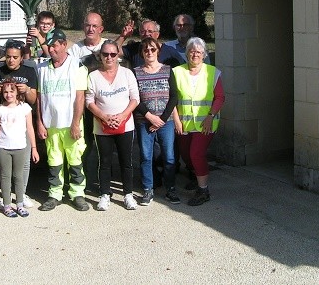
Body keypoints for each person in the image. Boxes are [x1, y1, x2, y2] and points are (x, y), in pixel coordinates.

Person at [36, 28, 90, 211]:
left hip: (70, 124)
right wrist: (39, 122)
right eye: (49, 47)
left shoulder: (77, 66)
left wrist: (76, 123)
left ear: (64, 45)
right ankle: (54, 194)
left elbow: (80, 97)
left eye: (55, 46)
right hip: (51, 125)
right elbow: (39, 97)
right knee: (54, 160)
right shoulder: (42, 68)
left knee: (75, 160)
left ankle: (77, 193)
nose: (51, 50)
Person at [85, 40, 140, 211]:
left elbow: (135, 98)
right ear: (100, 56)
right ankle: (104, 194)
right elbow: (89, 101)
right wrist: (104, 117)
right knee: (105, 161)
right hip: (102, 127)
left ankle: (128, 195)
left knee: (126, 161)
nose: (109, 57)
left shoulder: (127, 73)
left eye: (113, 54)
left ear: (118, 56)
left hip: (125, 125)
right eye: (105, 54)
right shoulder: (93, 76)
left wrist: (122, 116)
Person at [172, 37, 225, 206]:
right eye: (192, 51)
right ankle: (197, 176)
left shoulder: (212, 72)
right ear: (187, 53)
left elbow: (220, 97)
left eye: (199, 52)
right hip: (185, 123)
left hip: (205, 123)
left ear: (204, 54)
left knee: (196, 153)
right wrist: (176, 120)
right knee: (186, 155)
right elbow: (172, 99)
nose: (195, 54)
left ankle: (203, 190)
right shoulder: (177, 72)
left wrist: (210, 116)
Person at [0, 39, 38, 208]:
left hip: (22, 121)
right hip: (4, 122)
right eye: (8, 57)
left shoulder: (30, 71)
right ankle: (7, 197)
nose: (11, 60)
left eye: (15, 57)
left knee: (24, 164)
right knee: (6, 168)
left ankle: (21, 195)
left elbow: (33, 99)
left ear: (21, 58)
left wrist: (28, 90)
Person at [133, 37, 180, 206]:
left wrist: (162, 118)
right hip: (144, 121)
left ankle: (171, 189)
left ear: (158, 51)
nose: (149, 53)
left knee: (169, 157)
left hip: (165, 122)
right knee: (146, 157)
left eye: (153, 49)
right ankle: (148, 189)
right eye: (146, 50)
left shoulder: (168, 70)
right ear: (141, 53)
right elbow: (134, 98)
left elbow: (174, 96)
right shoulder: (136, 72)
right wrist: (150, 117)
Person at [0, 78, 39, 217]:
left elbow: (30, 129)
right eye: (5, 92)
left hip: (20, 147)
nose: (9, 94)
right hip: (3, 148)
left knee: (19, 176)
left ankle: (19, 204)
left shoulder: (25, 108)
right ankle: (7, 205)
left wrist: (34, 148)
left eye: (11, 91)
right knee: (5, 176)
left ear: (17, 92)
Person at [67, 12, 107, 192]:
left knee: (104, 143)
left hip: (104, 102)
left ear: (101, 28)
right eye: (87, 25)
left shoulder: (107, 46)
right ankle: (85, 181)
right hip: (83, 104)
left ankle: (103, 180)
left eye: (94, 26)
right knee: (85, 143)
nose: (90, 29)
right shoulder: (76, 49)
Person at [116, 19, 183, 68]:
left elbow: (183, 67)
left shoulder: (169, 51)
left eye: (150, 31)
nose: (146, 34)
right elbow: (112, 51)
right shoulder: (134, 48)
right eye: (143, 31)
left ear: (157, 34)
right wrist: (123, 36)